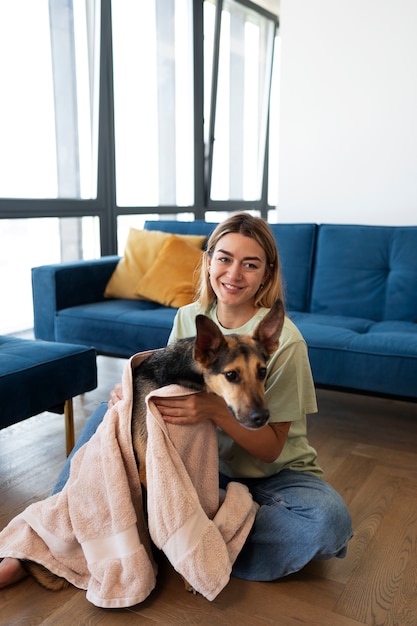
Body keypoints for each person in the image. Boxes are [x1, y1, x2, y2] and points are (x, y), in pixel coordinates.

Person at [0, 212, 352, 588]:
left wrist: (215, 409)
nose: (234, 274)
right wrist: (131, 391)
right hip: (199, 468)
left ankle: (178, 542)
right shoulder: (192, 317)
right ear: (209, 262)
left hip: (273, 476)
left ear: (267, 273)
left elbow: (270, 449)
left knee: (327, 523)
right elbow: (164, 384)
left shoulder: (285, 342)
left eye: (250, 265)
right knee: (109, 414)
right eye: (225, 259)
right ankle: (39, 539)